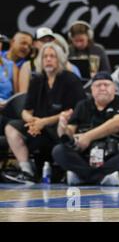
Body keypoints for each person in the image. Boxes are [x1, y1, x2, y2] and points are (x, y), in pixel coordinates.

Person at [2, 43, 85, 184]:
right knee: (11, 127)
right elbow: (25, 110)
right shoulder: (37, 80)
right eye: (45, 56)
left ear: (59, 60)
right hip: (39, 127)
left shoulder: (71, 80)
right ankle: (26, 171)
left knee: (61, 127)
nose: (48, 59)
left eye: (52, 56)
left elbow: (73, 112)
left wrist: (43, 122)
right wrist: (32, 121)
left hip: (61, 128)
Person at [52, 71, 119, 186]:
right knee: (59, 150)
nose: (102, 88)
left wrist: (88, 136)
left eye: (106, 85)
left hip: (112, 154)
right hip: (85, 157)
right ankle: (101, 178)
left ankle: (83, 177)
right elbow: (69, 133)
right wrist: (62, 127)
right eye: (98, 85)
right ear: (91, 90)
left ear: (114, 88)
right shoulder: (82, 105)